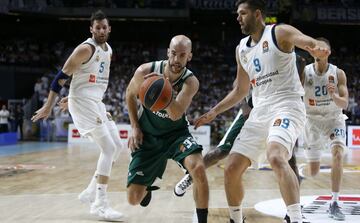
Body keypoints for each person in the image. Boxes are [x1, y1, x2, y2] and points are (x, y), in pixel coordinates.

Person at [193, 0, 330, 222]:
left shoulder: (279, 32)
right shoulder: (241, 49)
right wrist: (214, 112)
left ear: (257, 14)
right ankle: (236, 219)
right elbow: (240, 89)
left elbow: (306, 41)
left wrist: (315, 47)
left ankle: (296, 218)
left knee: (276, 156)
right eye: (237, 14)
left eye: (242, 13)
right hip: (260, 111)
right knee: (231, 168)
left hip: (287, 105)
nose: (238, 17)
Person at [174, 55, 307, 223]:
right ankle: (189, 177)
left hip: (282, 111)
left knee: (288, 159)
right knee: (221, 152)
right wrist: (245, 105)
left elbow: (300, 90)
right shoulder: (254, 51)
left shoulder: (298, 62)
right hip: (254, 109)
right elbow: (238, 85)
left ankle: (293, 210)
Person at [31, 10, 125, 221]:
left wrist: (72, 97)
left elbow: (88, 78)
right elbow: (60, 78)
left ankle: (91, 191)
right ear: (91, 29)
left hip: (94, 102)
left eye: (104, 27)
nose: (101, 30)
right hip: (84, 103)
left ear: (109, 29)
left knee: (118, 146)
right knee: (108, 148)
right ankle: (99, 204)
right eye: (97, 27)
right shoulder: (85, 49)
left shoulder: (108, 50)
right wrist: (49, 106)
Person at [125, 35, 209, 223]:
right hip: (148, 135)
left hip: (176, 135)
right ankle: (147, 187)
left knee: (199, 168)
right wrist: (134, 126)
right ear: (167, 53)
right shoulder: (145, 71)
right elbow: (129, 95)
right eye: (173, 54)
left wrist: (163, 90)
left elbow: (175, 114)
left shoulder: (190, 82)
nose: (176, 60)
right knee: (133, 199)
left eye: (182, 55)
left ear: (189, 57)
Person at [300, 37, 348, 221]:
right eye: (316, 48)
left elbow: (344, 103)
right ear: (312, 51)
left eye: (323, 48)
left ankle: (334, 203)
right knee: (313, 171)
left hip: (333, 118)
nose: (319, 50)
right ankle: (300, 174)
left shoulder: (338, 73)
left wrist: (334, 95)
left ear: (328, 52)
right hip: (311, 120)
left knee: (337, 154)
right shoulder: (304, 72)